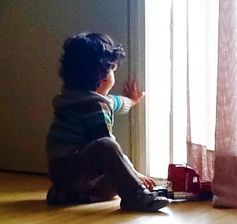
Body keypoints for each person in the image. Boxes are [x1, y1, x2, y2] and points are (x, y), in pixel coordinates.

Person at [46, 32, 169, 212]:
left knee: (115, 184)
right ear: (103, 76)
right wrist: (134, 174)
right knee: (107, 148)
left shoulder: (75, 98)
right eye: (113, 70)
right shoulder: (92, 106)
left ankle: (67, 194)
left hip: (62, 172)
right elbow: (108, 147)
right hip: (70, 171)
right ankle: (136, 197)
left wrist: (132, 101)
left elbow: (114, 102)